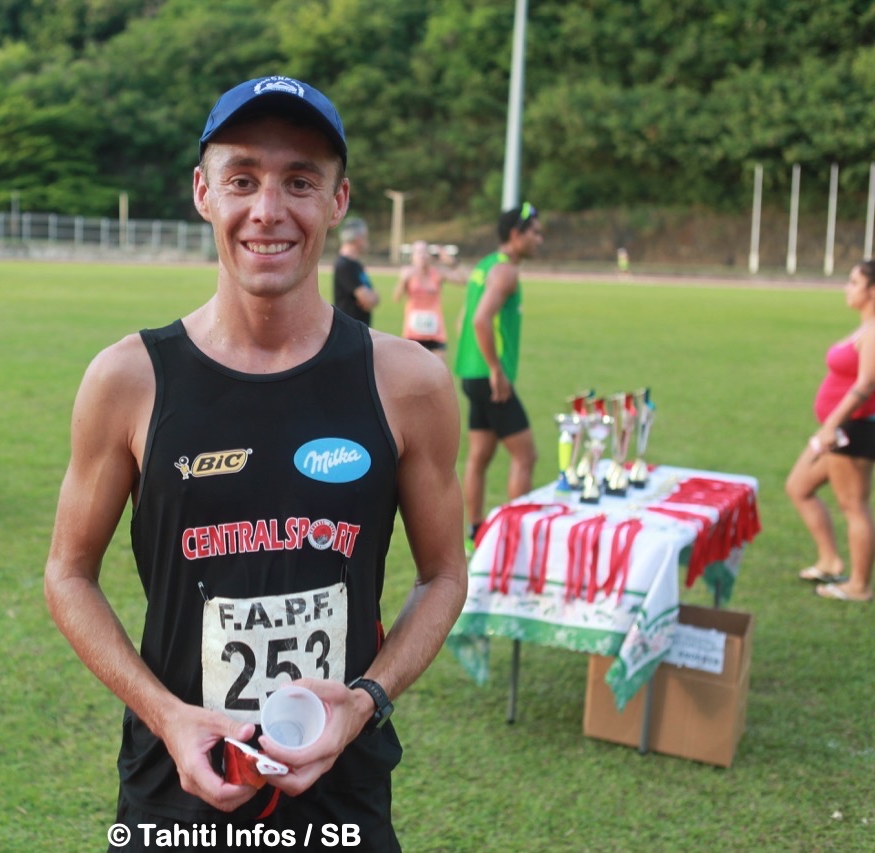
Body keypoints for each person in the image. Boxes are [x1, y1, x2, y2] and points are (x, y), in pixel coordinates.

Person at [44, 75, 467, 849]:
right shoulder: (127, 379)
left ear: (338, 201)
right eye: (242, 179)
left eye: (300, 181)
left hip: (342, 794)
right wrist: (168, 715)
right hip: (176, 790)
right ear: (203, 192)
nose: (268, 209)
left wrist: (366, 700)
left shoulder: (409, 383)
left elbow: (443, 574)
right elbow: (68, 574)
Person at [453, 203, 544, 547]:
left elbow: (463, 321)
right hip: (490, 379)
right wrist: (495, 369)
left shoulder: (484, 266)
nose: (539, 239)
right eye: (535, 232)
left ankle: (475, 533)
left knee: (479, 456)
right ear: (516, 234)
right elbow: (479, 321)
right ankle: (516, 539)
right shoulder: (505, 272)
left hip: (471, 374)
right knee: (526, 455)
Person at [785, 259, 875, 603]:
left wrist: (832, 424)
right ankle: (830, 561)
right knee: (798, 486)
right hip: (838, 429)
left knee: (853, 505)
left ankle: (859, 586)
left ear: (872, 291)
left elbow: (866, 384)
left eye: (854, 282)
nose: (846, 288)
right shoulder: (863, 329)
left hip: (852, 430)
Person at [392, 240, 464, 353]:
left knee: (439, 363)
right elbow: (396, 298)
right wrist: (402, 281)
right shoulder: (408, 273)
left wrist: (452, 263)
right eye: (418, 252)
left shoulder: (438, 273)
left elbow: (463, 280)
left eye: (425, 252)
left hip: (435, 330)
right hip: (413, 330)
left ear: (429, 256)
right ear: (412, 257)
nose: (422, 256)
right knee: (413, 363)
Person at [333, 217, 380, 325]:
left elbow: (372, 297)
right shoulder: (344, 265)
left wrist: (371, 296)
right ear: (358, 238)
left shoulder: (356, 265)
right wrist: (371, 296)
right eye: (365, 237)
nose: (367, 241)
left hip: (359, 328)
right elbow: (368, 299)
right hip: (349, 330)